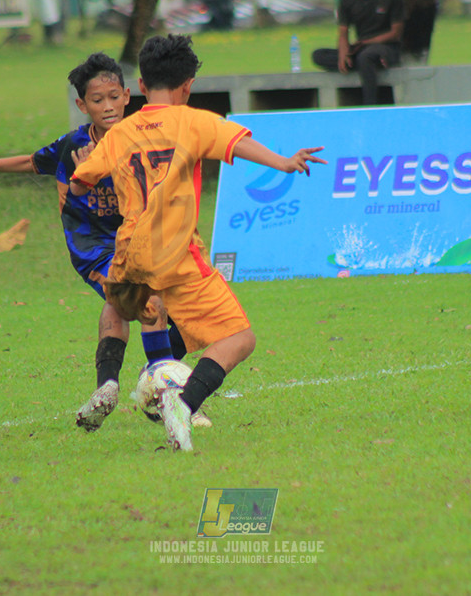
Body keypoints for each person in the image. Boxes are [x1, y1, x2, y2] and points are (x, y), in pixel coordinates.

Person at [70, 34, 325, 451]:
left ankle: (112, 382)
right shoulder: (192, 120)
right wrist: (283, 162)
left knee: (120, 311)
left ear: (141, 82)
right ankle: (182, 404)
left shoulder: (119, 133)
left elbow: (81, 186)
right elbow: (236, 143)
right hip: (176, 256)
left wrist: (81, 172)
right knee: (239, 338)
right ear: (187, 85)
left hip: (130, 252)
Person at [0, 53, 198, 433]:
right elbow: (31, 162)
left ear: (126, 96)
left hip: (137, 237)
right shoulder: (73, 146)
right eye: (96, 100)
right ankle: (154, 392)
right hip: (93, 243)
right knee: (141, 299)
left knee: (172, 306)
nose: (106, 107)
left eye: (112, 97)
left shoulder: (144, 137)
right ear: (81, 105)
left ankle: (132, 382)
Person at [311, 0, 405, 105]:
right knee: (319, 55)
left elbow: (395, 33)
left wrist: (367, 43)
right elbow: (343, 32)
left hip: (386, 47)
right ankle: (368, 64)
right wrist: (343, 52)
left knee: (366, 56)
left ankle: (370, 105)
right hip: (361, 49)